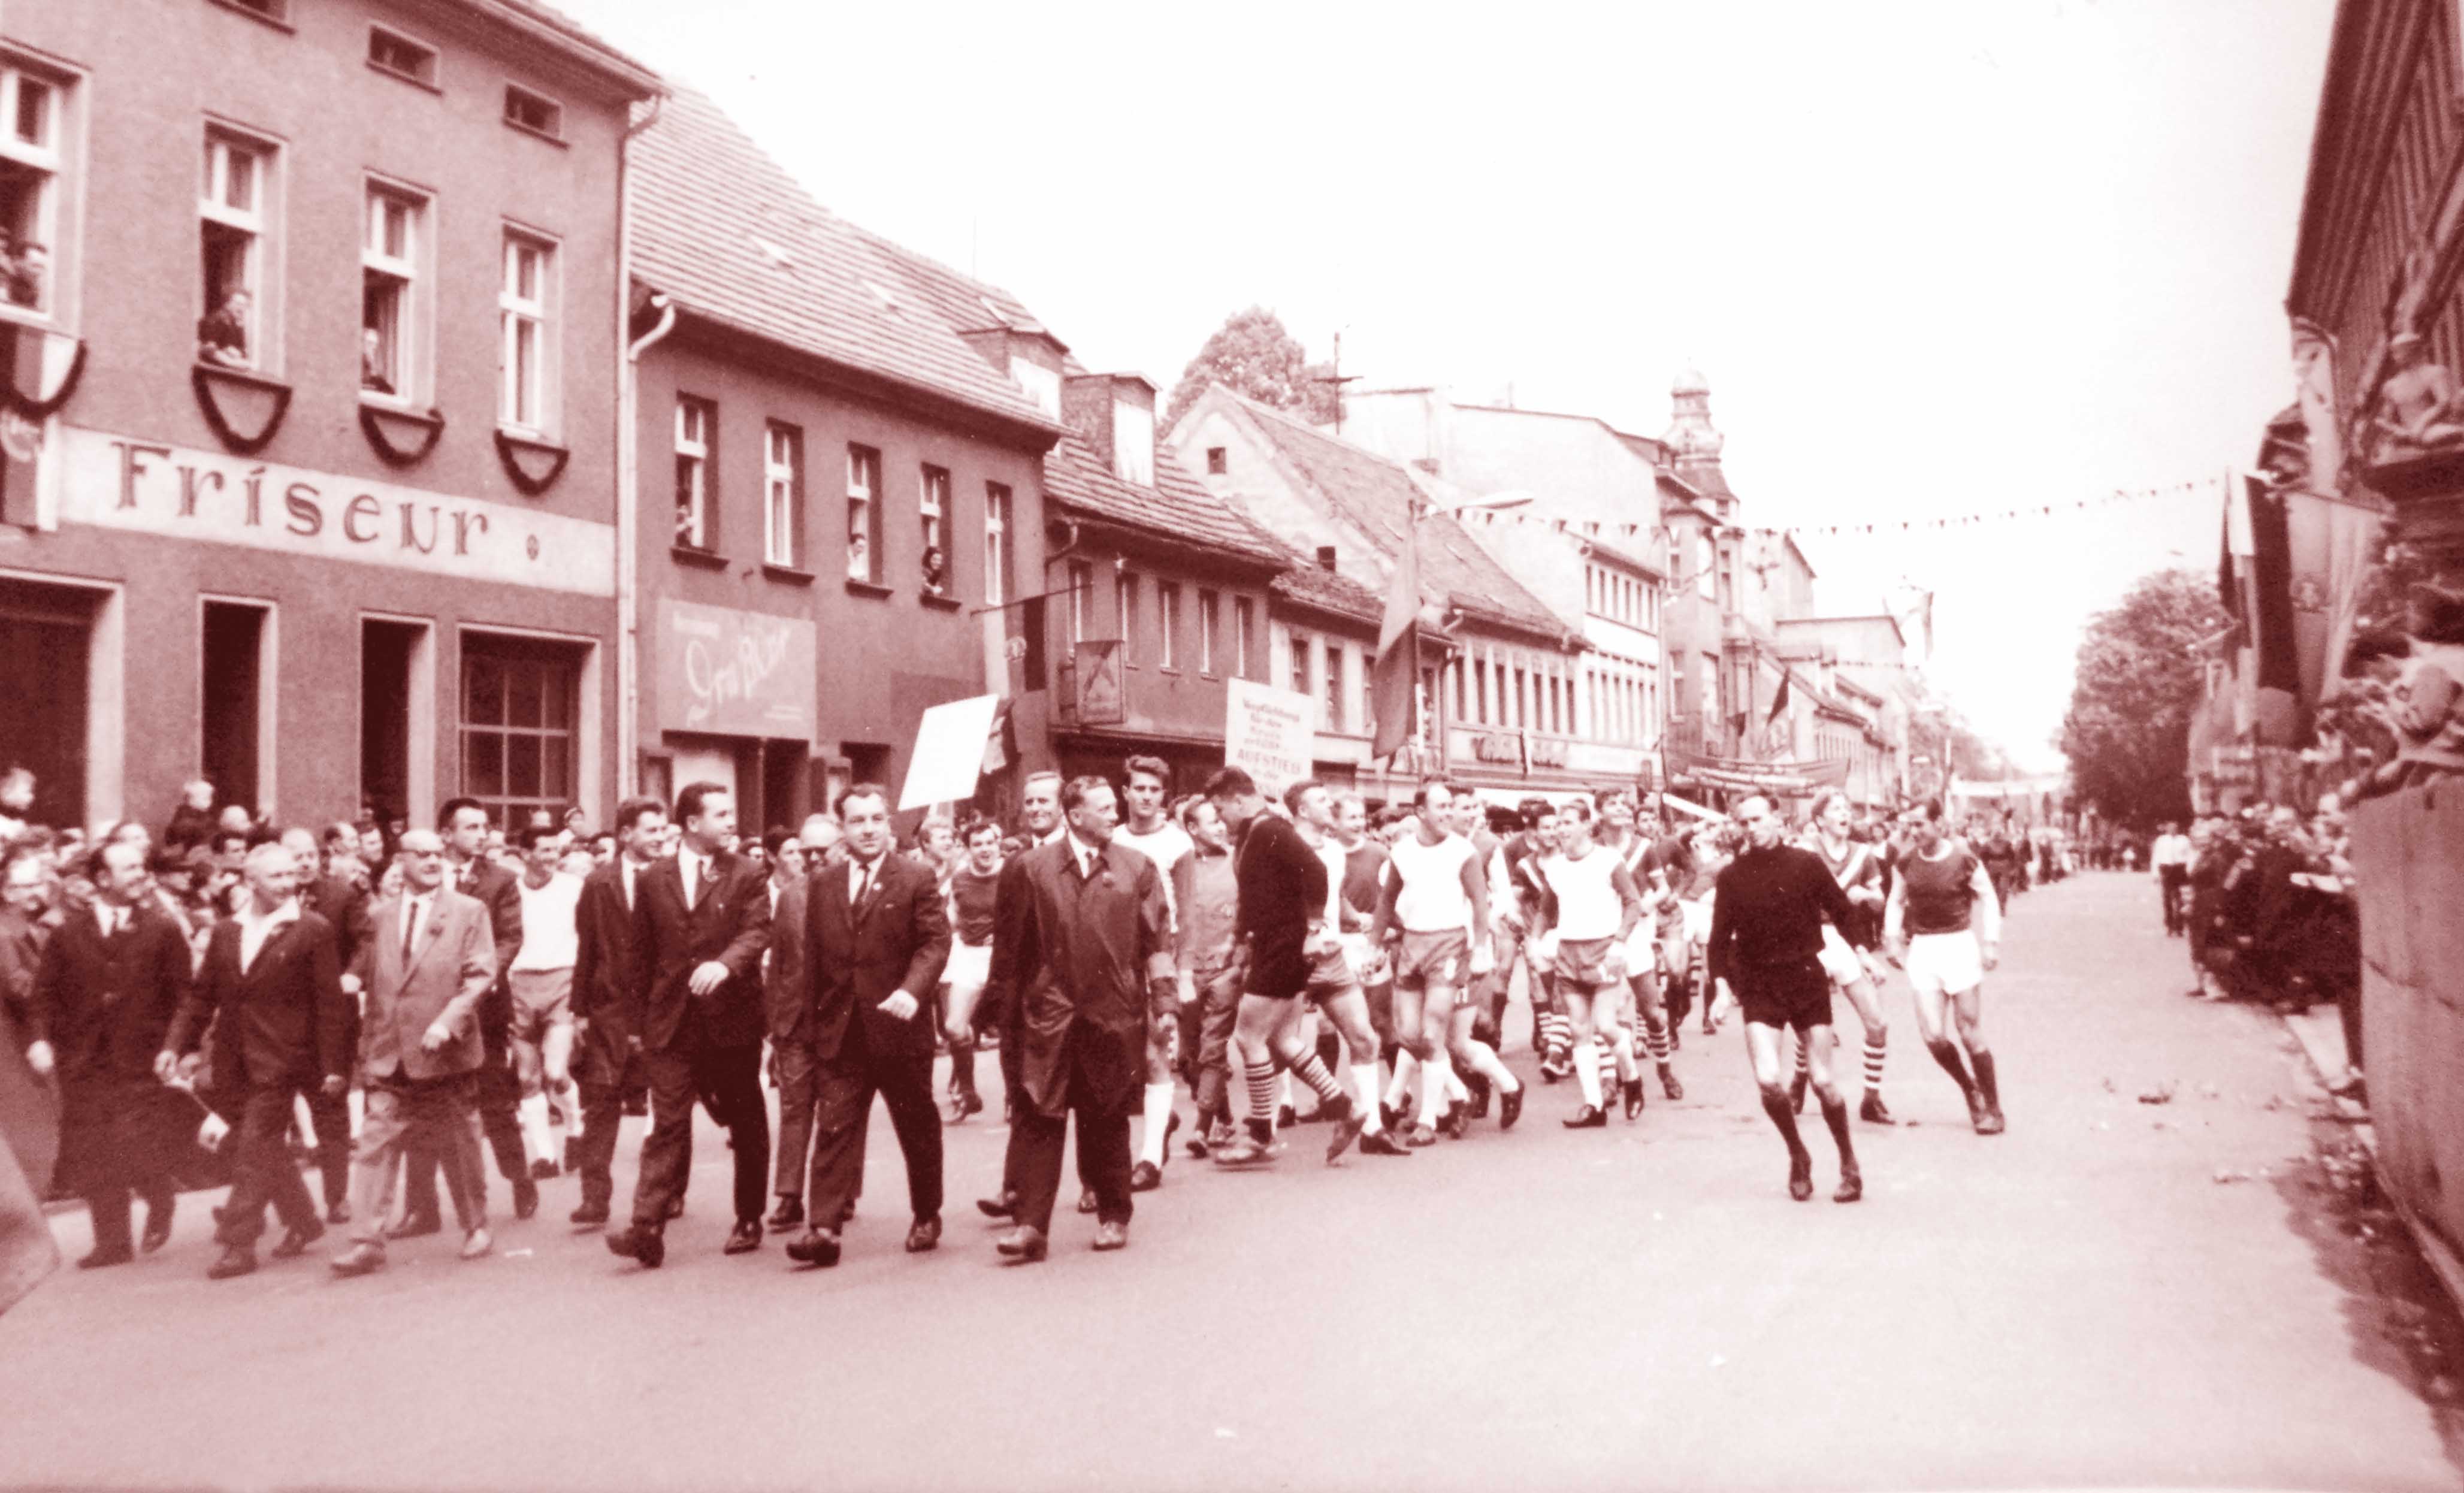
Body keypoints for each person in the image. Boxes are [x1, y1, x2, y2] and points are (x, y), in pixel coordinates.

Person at [968, 776, 1173, 1262]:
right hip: (1048, 1014)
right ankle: (1030, 1228)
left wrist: (1164, 1004)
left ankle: (1113, 1214)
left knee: (1106, 1116)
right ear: (1075, 816)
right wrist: (1001, 1013)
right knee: (1041, 1112)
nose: (1115, 815)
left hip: (1112, 1012)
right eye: (1103, 808)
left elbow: (1157, 944)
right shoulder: (1030, 869)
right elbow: (1010, 949)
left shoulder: (1137, 868)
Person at [161, 842, 351, 1278]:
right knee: (260, 1146)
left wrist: (334, 1067)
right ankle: (303, 1220)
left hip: (285, 1059)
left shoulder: (312, 929)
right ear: (251, 881)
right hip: (233, 1059)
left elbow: (329, 1004)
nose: (289, 884)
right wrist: (177, 1044)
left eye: (291, 875)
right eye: (277, 877)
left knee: (253, 1147)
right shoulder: (228, 931)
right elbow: (201, 995)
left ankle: (239, 1243)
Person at [785, 785, 951, 1268]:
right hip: (842, 1032)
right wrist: (812, 1028)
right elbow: (813, 960)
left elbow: (935, 945)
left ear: (889, 823)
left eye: (877, 819)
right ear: (843, 828)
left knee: (916, 1127)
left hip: (899, 1030)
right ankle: (823, 1230)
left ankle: (926, 1213)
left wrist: (911, 990)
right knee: (834, 1128)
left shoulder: (916, 877)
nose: (869, 829)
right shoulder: (825, 884)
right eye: (858, 821)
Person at [607, 784, 772, 1271]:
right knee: (667, 1123)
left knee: (745, 1121)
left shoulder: (746, 871)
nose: (730, 822)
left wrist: (726, 965)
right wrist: (637, 1025)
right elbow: (640, 955)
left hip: (731, 1020)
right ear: (692, 823)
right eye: (721, 814)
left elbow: (758, 930)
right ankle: (647, 1227)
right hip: (672, 1022)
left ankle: (748, 1217)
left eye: (731, 812)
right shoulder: (654, 877)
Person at [329, 831, 498, 1275]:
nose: (430, 861)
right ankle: (367, 1240)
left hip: (445, 1051)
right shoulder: (380, 916)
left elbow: (480, 976)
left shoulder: (468, 911)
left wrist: (448, 1021)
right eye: (420, 854)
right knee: (373, 1146)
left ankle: (476, 1224)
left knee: (459, 1143)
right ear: (400, 860)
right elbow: (379, 985)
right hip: (390, 1053)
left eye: (437, 854)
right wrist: (368, 1051)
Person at [1204, 773, 1386, 1169]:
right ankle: (1346, 1107)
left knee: (1248, 1037)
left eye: (1220, 810)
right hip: (1279, 946)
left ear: (1237, 801)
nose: (1220, 820)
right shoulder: (1260, 832)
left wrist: (1316, 927)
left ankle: (1260, 1135)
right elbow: (1253, 898)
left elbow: (1316, 873)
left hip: (1281, 949)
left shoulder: (1270, 829)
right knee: (1285, 1039)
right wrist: (1236, 941)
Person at [26, 841, 189, 1267]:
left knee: (137, 1140)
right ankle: (112, 1243)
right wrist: (40, 1039)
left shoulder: (163, 929)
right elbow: (43, 996)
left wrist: (174, 1047)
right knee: (96, 1148)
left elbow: (186, 999)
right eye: (129, 868)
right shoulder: (67, 934)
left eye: (142, 866)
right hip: (84, 1061)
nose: (140, 873)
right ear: (102, 879)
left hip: (142, 1059)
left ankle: (160, 1196)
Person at [1703, 794, 1864, 1204]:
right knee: (1768, 1080)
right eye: (1743, 822)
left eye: (1757, 820)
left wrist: (1862, 953)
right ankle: (1797, 1154)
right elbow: (1718, 940)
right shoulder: (1732, 876)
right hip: (1758, 982)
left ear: (1776, 820)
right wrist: (1721, 988)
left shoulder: (1805, 865)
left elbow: (1842, 910)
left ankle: (1848, 1161)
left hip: (1805, 977)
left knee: (1824, 1081)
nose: (1750, 828)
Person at [397, 800, 532, 1234]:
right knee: (420, 1105)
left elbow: (511, 937)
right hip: (425, 1007)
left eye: (485, 827)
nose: (482, 834)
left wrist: (482, 977)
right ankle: (422, 1207)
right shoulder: (417, 878)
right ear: (445, 833)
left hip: (482, 1007)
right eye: (470, 827)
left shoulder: (500, 881)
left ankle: (518, 1176)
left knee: (492, 1098)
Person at [1366, 782, 1506, 1146]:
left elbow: (1479, 903)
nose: (1447, 814)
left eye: (1450, 807)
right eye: (1440, 807)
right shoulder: (1402, 851)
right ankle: (1460, 1095)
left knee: (1433, 1031)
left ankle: (1428, 1119)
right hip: (1413, 943)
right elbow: (1385, 903)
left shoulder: (1464, 851)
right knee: (1409, 1036)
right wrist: (1372, 946)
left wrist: (1476, 951)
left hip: (1450, 944)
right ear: (1420, 813)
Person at [973, 770, 1068, 1223]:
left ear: (1063, 804)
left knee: (1080, 1096)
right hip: (1023, 998)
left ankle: (1092, 1184)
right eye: (1029, 802)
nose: (1035, 810)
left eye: (1043, 801)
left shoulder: (1082, 855)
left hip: (1070, 994)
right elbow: (1005, 938)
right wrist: (996, 1002)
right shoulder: (1014, 864)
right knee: (1025, 1094)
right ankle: (1014, 1188)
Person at [566, 797, 662, 1229]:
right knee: (601, 1105)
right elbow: (586, 949)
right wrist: (580, 1011)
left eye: (663, 831)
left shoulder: (671, 878)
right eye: (651, 830)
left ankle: (663, 1195)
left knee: (665, 1108)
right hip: (609, 1011)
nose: (660, 838)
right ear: (626, 835)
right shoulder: (599, 884)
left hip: (661, 1011)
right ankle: (594, 1198)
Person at [1883, 800, 2005, 1135]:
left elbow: (1989, 898)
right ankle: (1970, 1089)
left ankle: (1993, 1108)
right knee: (1934, 1036)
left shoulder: (1963, 858)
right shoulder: (1905, 861)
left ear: (1939, 823)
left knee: (1968, 1032)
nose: (1913, 831)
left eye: (1920, 824)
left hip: (1958, 946)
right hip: (1924, 949)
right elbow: (1896, 900)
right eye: (1910, 825)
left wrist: (1991, 941)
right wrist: (1892, 938)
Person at [1529, 798, 1644, 1126]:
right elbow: (1545, 911)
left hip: (1603, 950)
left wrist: (1620, 940)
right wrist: (1536, 941)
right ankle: (1593, 1105)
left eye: (1567, 823)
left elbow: (1633, 902)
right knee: (1580, 1030)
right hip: (1569, 953)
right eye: (1558, 824)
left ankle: (1632, 1078)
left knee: (1606, 1026)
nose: (1560, 831)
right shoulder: (1555, 867)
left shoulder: (1608, 860)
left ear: (1585, 825)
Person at [1111, 756, 1194, 1183]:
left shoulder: (1177, 843)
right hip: (1116, 957)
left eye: (1153, 790)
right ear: (1124, 792)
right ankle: (1162, 1123)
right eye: (1138, 788)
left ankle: (1149, 1161)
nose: (1145, 796)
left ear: (1163, 796)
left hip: (1160, 956)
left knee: (1155, 1051)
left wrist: (1185, 974)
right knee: (1123, 1060)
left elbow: (1187, 911)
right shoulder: (1110, 838)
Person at [286, 826, 372, 1224]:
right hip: (280, 1017)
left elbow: (365, 941)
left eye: (309, 855)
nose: (304, 862)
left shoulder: (340, 894)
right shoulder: (267, 899)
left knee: (330, 1105)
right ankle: (261, 1201)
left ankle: (336, 1196)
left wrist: (353, 975)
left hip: (330, 1016)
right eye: (295, 855)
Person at [1796, 790, 1894, 1126]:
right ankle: (1799, 1079)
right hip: (1809, 937)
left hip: (1846, 939)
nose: (1845, 814)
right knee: (1812, 1023)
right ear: (1819, 819)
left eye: (1847, 808)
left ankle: (1871, 1097)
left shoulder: (1864, 855)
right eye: (1836, 809)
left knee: (1877, 1023)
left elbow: (1882, 902)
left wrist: (1864, 894)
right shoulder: (1805, 852)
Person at [507, 825, 584, 1180]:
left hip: (562, 979)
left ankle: (575, 1129)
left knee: (555, 1072)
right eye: (545, 850)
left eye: (556, 850)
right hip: (519, 983)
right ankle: (544, 1156)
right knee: (528, 1078)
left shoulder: (573, 888)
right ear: (525, 854)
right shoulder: (511, 890)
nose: (552, 857)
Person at [1172, 797, 1247, 1156]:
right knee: (1189, 1059)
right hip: (1185, 972)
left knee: (1213, 1048)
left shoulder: (1239, 860)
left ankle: (1201, 1129)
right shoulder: (1180, 865)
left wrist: (1239, 960)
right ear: (1192, 829)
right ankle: (1225, 1117)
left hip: (1226, 971)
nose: (1221, 827)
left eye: (1222, 820)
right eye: (1212, 821)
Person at [764, 822, 819, 1232]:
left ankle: (842, 1193)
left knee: (839, 1113)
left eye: (820, 851)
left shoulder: (855, 894)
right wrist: (774, 1022)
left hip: (838, 1020)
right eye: (804, 852)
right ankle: (788, 1196)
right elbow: (779, 961)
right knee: (794, 1107)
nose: (811, 859)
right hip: (794, 1020)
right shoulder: (790, 895)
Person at [939, 818, 1003, 1123]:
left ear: (998, 844)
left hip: (1003, 957)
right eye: (978, 844)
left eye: (989, 843)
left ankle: (1015, 1098)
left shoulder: (1010, 874)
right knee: (954, 1027)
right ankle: (968, 1093)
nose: (985, 849)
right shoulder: (959, 878)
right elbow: (950, 916)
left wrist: (1005, 934)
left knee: (1014, 1031)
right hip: (969, 955)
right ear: (969, 849)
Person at [2151, 822, 2193, 937]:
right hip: (2166, 868)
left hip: (2180, 869)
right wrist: (2155, 874)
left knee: (2181, 899)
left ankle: (2179, 926)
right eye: (2170, 828)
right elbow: (2156, 856)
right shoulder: (2162, 840)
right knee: (2167, 898)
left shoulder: (2184, 840)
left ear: (2178, 829)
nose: (2173, 830)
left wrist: (2189, 870)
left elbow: (2190, 855)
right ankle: (2169, 925)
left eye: (2175, 828)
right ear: (2167, 829)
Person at [196, 288, 252, 368]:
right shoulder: (216, 320)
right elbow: (208, 350)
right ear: (228, 304)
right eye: (238, 304)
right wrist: (231, 361)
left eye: (245, 306)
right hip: (212, 373)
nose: (242, 309)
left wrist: (237, 354)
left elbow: (242, 353)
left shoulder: (237, 326)